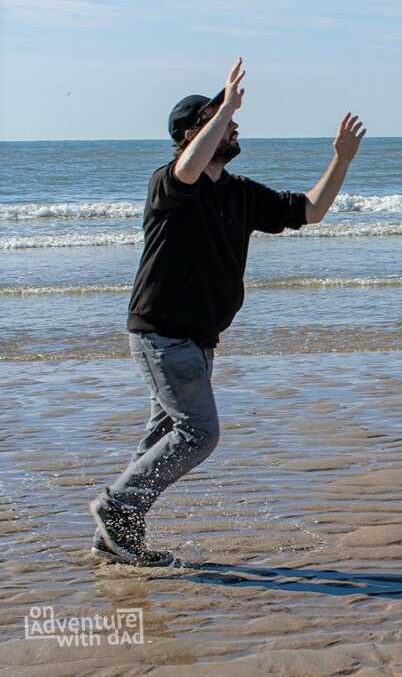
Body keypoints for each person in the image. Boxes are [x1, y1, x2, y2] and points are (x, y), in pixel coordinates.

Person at [89, 58, 366, 566]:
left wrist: (342, 159)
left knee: (163, 437)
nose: (234, 124)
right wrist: (226, 104)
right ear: (193, 133)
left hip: (199, 339)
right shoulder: (170, 182)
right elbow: (189, 167)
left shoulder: (239, 193)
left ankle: (118, 534)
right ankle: (117, 508)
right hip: (162, 333)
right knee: (199, 432)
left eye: (233, 118)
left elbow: (310, 210)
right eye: (220, 119)